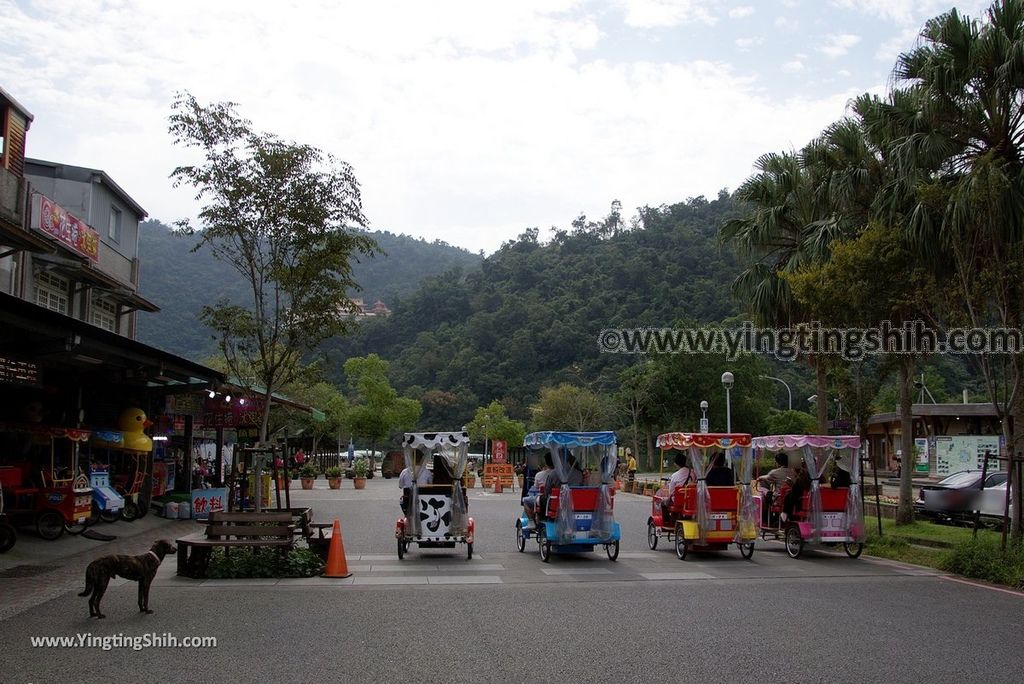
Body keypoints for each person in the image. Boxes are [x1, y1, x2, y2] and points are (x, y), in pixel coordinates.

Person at [662, 452, 693, 520]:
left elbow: (671, 491)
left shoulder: (675, 475)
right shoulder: (693, 472)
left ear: (676, 464)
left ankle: (669, 521)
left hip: (679, 501)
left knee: (663, 503)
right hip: (692, 499)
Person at [522, 453, 553, 521]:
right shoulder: (562, 475)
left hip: (545, 499)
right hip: (559, 498)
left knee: (526, 501)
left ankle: (531, 520)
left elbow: (536, 487)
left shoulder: (540, 475)